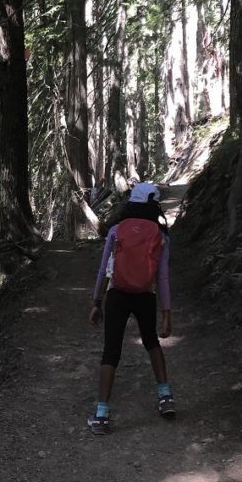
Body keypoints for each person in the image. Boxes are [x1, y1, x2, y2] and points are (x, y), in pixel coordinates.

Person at [88, 181, 174, 435]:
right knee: (152, 342)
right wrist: (166, 314)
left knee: (110, 351)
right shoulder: (161, 235)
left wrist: (96, 302)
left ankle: (102, 414)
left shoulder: (116, 230)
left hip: (117, 295)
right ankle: (165, 397)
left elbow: (105, 270)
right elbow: (163, 277)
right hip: (145, 296)